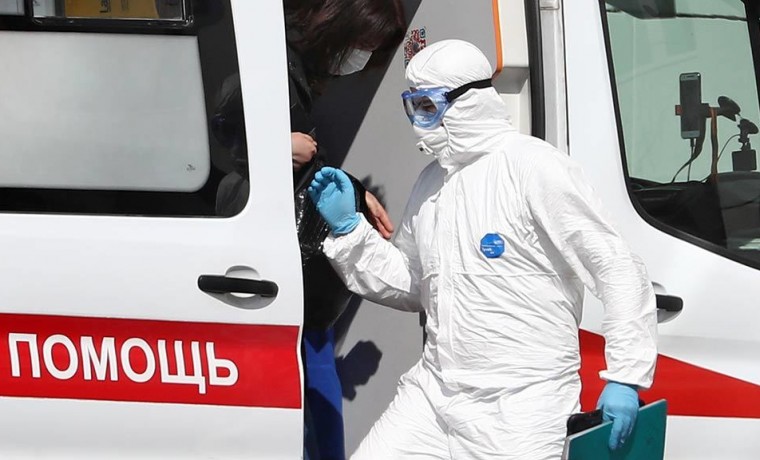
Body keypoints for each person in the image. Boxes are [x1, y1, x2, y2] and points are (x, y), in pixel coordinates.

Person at [308, 39, 658, 459]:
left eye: (428, 106)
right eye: (413, 106)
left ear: (468, 101)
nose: (419, 121)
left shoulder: (534, 167)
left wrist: (625, 375)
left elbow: (616, 267)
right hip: (435, 393)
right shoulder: (431, 183)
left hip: (522, 407)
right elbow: (413, 285)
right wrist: (352, 233)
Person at [284, 2, 405, 459]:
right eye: (362, 43)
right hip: (284, 256)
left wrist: (353, 188)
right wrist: (276, 146)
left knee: (315, 356)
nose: (361, 56)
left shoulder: (302, 69)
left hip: (300, 262)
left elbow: (305, 163)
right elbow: (225, 132)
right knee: (314, 360)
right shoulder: (277, 63)